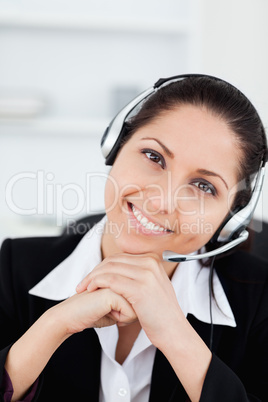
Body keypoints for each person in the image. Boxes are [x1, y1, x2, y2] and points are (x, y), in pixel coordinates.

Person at [0, 74, 267, 402]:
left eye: (203, 186)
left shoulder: (260, 301)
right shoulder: (12, 267)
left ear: (231, 218)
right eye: (154, 157)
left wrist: (176, 336)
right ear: (116, 147)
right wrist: (53, 326)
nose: (161, 201)